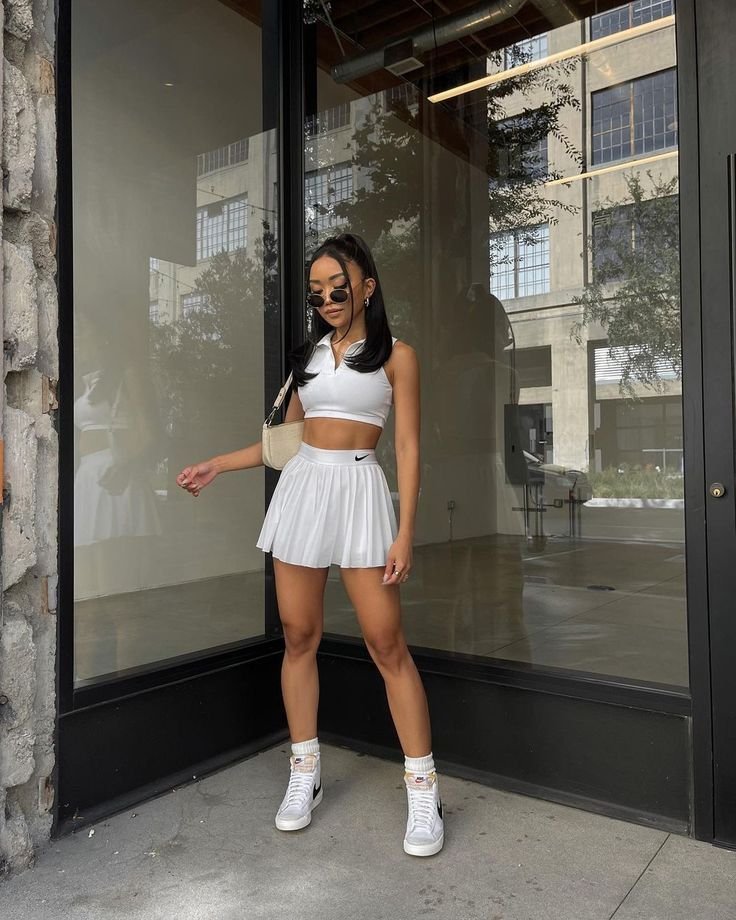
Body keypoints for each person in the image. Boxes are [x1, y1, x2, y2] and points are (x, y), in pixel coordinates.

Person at [176, 232, 444, 857]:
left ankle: (423, 788)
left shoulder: (397, 357)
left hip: (360, 492)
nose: (326, 301)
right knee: (299, 635)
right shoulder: (309, 358)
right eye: (317, 293)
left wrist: (405, 530)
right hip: (303, 491)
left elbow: (408, 447)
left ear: (367, 288)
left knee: (386, 643)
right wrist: (218, 464)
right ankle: (305, 772)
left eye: (337, 290)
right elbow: (285, 440)